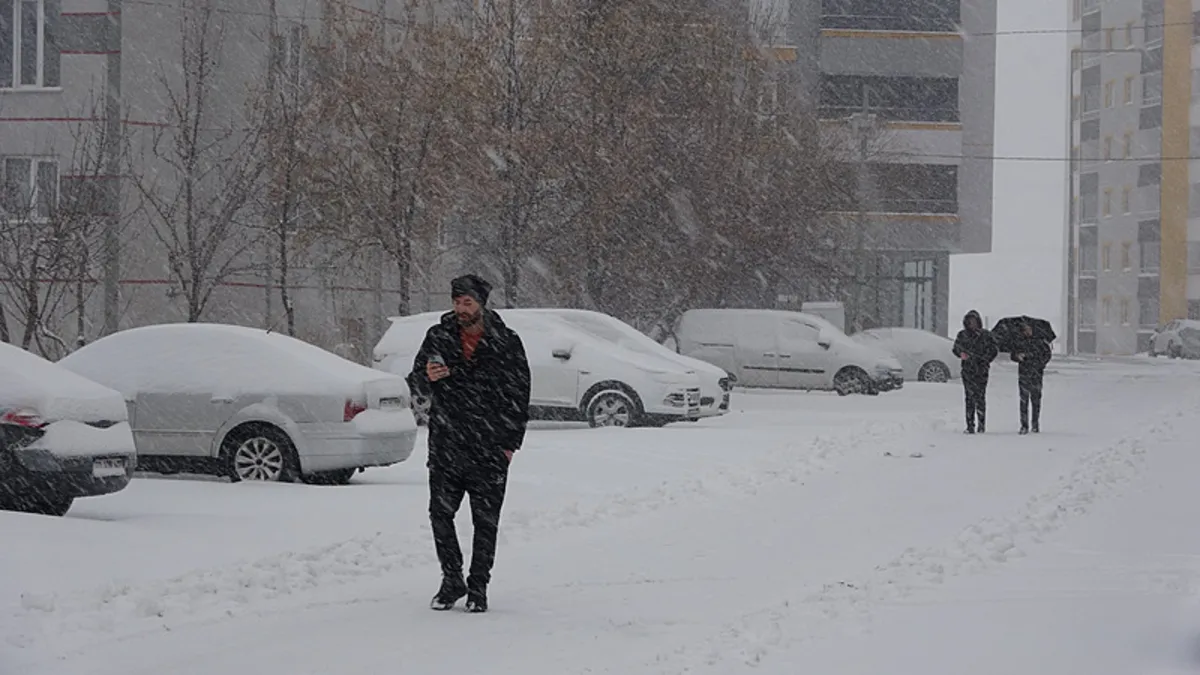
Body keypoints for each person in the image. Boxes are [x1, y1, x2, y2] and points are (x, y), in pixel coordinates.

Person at [409, 274, 531, 613]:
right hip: (447, 443)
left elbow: (519, 395)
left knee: (485, 521)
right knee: (440, 514)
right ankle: (452, 579)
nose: (461, 309)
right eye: (457, 302)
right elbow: (415, 381)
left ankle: (478, 586)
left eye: (468, 303)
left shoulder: (506, 341)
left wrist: (509, 445)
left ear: (481, 304)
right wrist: (425, 378)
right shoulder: (438, 336)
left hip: (489, 446)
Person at [952, 309, 998, 434]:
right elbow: (955, 348)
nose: (972, 324)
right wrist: (961, 353)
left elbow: (994, 350)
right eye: (969, 321)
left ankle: (981, 425)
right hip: (967, 369)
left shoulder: (986, 335)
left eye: (974, 321)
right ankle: (970, 425)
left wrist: (985, 359)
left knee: (980, 397)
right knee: (969, 397)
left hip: (982, 370)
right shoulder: (962, 335)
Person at [1011, 320, 1052, 434]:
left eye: (1028, 329)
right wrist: (1017, 357)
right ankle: (1024, 425)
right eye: (1025, 330)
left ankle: (1035, 424)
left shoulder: (1040, 341)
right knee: (1023, 400)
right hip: (1024, 373)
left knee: (1036, 400)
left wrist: (1040, 364)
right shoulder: (1019, 341)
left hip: (1036, 373)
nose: (1027, 332)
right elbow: (1013, 355)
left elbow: (1047, 355)